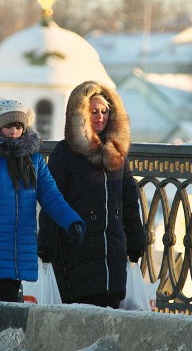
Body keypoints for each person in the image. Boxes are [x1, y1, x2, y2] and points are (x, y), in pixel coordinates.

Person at [0, 99, 85, 302]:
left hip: (24, 247)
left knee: (15, 306)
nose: (14, 131)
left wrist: (72, 221)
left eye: (18, 126)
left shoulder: (34, 160)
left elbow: (51, 196)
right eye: (8, 126)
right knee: (3, 301)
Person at [38, 81, 146, 308]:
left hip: (112, 254)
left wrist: (136, 237)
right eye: (93, 111)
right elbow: (52, 199)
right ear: (81, 115)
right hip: (76, 251)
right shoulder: (65, 153)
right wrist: (46, 241)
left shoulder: (117, 153)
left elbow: (128, 199)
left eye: (105, 111)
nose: (100, 117)